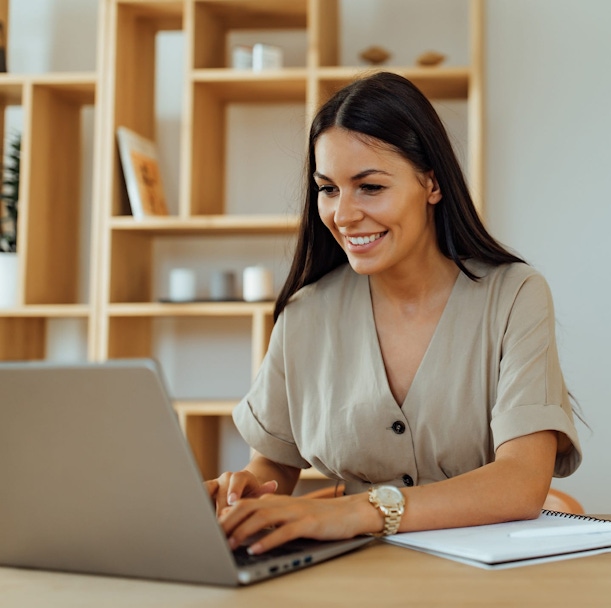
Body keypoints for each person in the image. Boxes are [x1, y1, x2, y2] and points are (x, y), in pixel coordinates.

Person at [206, 71, 582, 556]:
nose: (342, 215)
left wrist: (360, 511)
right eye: (328, 189)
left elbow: (521, 481)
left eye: (369, 187)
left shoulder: (514, 296)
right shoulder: (305, 314)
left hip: (487, 573)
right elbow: (272, 467)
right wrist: (243, 494)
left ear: (431, 183)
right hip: (353, 568)